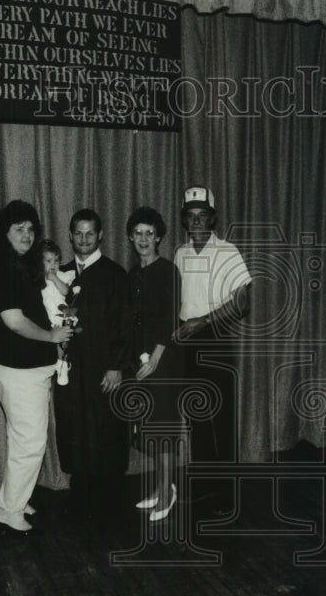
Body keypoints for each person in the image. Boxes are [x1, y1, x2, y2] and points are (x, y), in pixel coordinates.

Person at [0, 200, 73, 534]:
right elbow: (14, 322)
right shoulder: (2, 268)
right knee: (31, 442)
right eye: (19, 229)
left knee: (22, 440)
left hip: (24, 368)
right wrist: (52, 335)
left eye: (31, 229)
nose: (27, 235)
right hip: (19, 370)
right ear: (5, 231)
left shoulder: (15, 264)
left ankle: (16, 497)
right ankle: (10, 509)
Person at [172, 186, 252, 514]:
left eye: (202, 216)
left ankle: (226, 496)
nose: (196, 222)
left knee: (220, 419)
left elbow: (243, 304)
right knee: (197, 417)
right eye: (190, 217)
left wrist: (203, 322)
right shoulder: (180, 253)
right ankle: (205, 486)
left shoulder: (228, 251)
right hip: (187, 341)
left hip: (215, 339)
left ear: (213, 218)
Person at [54, 209, 131, 524]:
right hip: (72, 369)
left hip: (103, 367)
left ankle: (108, 499)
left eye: (90, 233)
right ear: (70, 235)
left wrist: (116, 366)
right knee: (75, 426)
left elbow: (125, 325)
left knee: (105, 428)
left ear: (100, 235)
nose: (83, 239)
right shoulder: (60, 273)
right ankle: (80, 495)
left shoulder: (114, 274)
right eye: (78, 233)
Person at [126, 207, 184, 522]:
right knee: (148, 429)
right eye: (138, 233)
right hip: (142, 363)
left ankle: (166, 494)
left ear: (159, 236)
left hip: (165, 362)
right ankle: (162, 486)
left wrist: (156, 360)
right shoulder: (134, 273)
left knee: (162, 431)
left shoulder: (168, 271)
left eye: (150, 233)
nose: (144, 239)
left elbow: (169, 319)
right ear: (131, 237)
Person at [37, 239, 76, 383]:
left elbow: (66, 291)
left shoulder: (60, 276)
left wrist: (54, 278)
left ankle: (63, 365)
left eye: (56, 261)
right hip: (45, 315)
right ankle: (59, 364)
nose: (53, 265)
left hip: (59, 313)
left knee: (62, 340)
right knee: (53, 342)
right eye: (48, 261)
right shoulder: (37, 278)